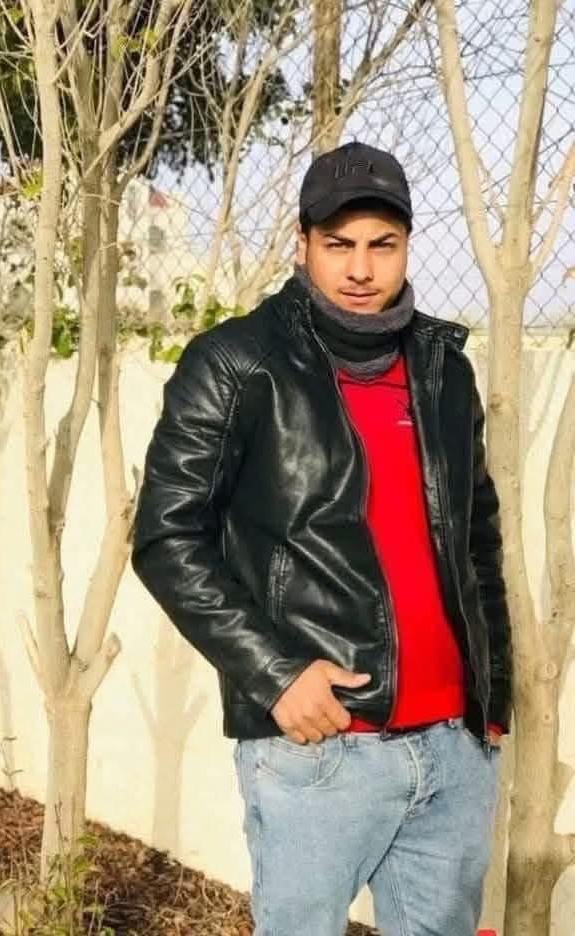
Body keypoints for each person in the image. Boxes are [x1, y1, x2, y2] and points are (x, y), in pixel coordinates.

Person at [131, 141, 512, 936]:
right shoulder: (236, 364)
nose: (361, 269)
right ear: (302, 243)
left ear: (407, 246)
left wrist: (492, 697)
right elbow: (167, 537)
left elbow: (477, 537)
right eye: (339, 244)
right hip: (320, 748)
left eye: (383, 245)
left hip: (454, 747)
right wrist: (276, 676)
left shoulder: (444, 369)